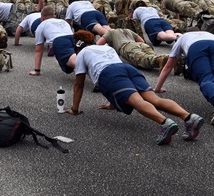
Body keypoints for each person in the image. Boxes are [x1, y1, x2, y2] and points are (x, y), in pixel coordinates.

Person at [66, 41, 204, 145]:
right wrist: (113, 103)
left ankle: (164, 123)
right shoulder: (107, 48)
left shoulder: (82, 54)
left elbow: (79, 84)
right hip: (127, 68)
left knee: (137, 102)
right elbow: (120, 77)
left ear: (78, 49)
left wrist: (75, 109)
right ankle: (189, 117)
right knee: (154, 99)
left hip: (109, 74)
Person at [154, 31, 214, 125]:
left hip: (196, 48)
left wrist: (157, 88)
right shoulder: (208, 33)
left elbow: (168, 67)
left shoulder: (182, 38)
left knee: (206, 78)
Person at [30, 5, 79, 75]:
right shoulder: (63, 21)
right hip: (73, 38)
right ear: (54, 16)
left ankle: (87, 67)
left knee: (72, 61)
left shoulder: (42, 25)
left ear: (42, 17)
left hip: (60, 40)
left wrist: (37, 70)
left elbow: (38, 50)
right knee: (68, 67)